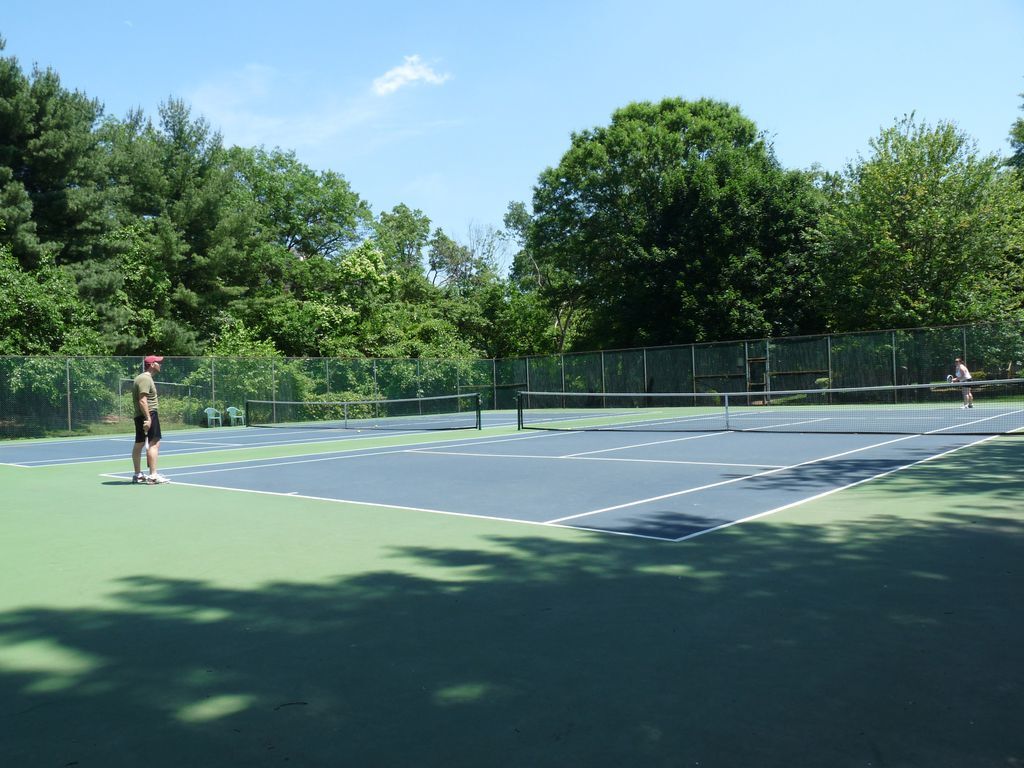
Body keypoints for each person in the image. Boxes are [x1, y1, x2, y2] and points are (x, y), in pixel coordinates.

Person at [131, 355, 170, 484]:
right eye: (158, 362)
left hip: (142, 414)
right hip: (148, 414)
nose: (160, 364)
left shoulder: (142, 378)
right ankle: (153, 476)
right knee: (154, 443)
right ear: (152, 364)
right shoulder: (145, 379)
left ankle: (138, 475)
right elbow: (142, 400)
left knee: (140, 443)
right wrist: (148, 418)